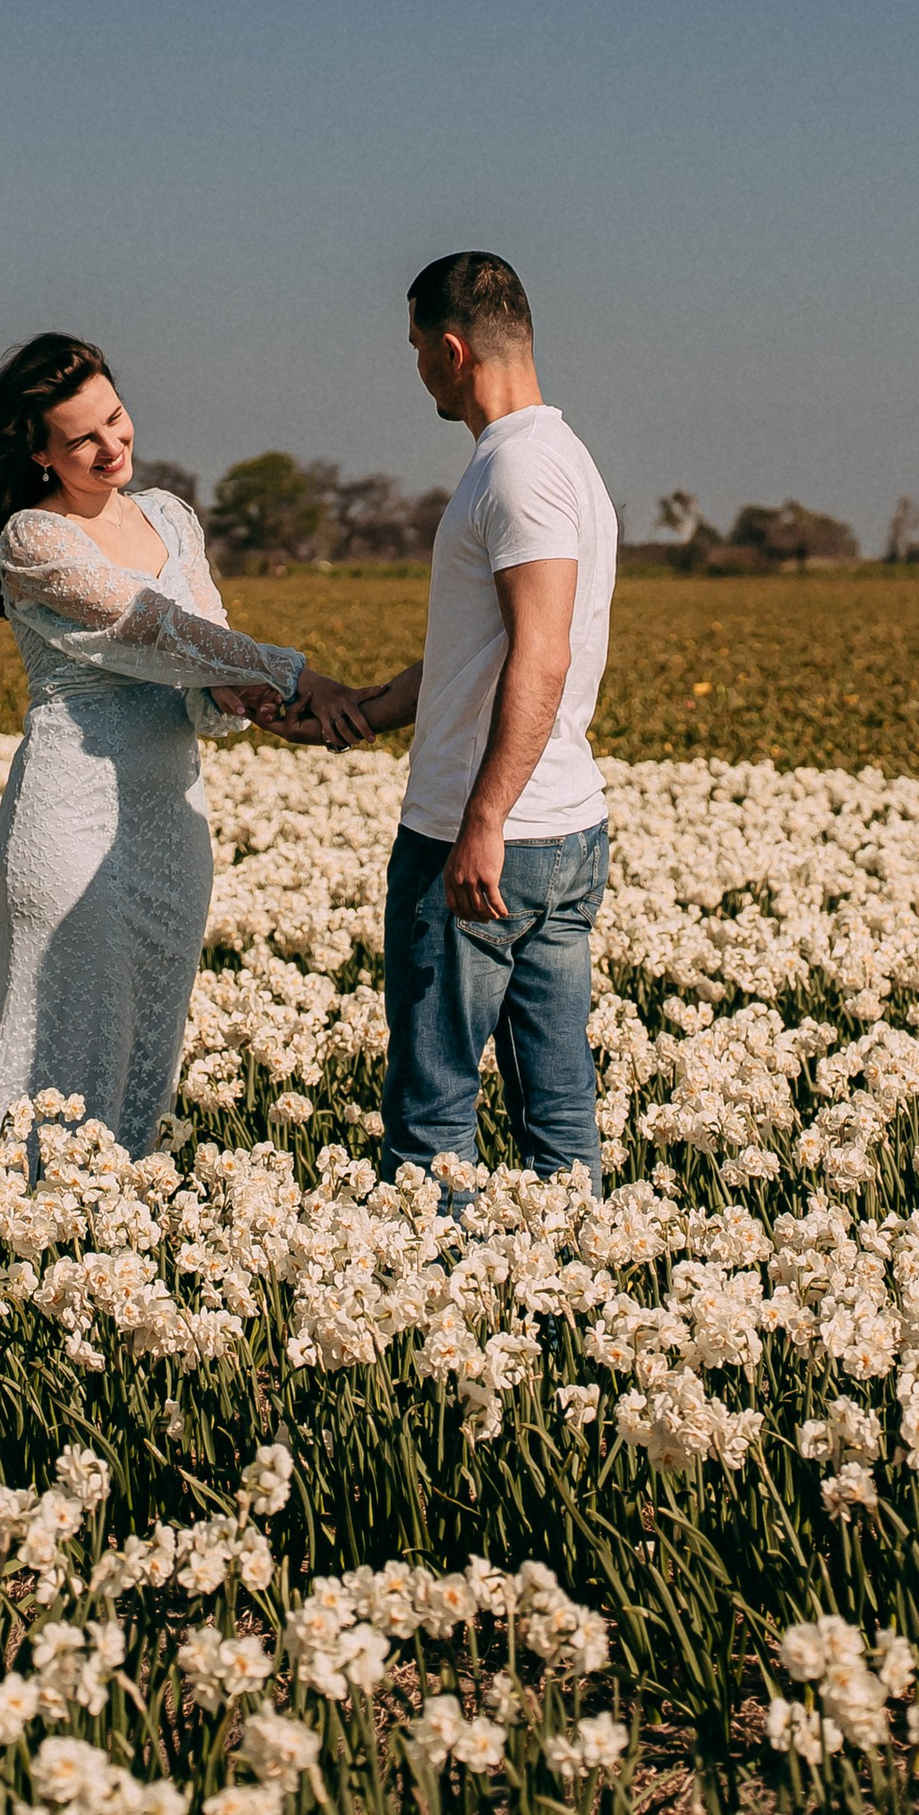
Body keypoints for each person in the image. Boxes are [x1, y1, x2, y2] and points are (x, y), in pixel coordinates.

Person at [0, 333, 369, 1159]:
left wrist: (258, 697)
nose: (110, 446)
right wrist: (297, 677)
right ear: (38, 453)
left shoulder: (168, 515)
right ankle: (34, 1239)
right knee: (60, 1051)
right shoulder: (33, 539)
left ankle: (119, 1228)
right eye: (82, 439)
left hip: (172, 814)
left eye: (116, 418)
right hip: (70, 820)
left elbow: (207, 645)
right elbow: (151, 627)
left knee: (150, 1041)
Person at [267, 253, 617, 1195]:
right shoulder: (564, 459)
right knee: (559, 1115)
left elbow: (541, 655)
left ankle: (431, 1318)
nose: (416, 366)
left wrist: (483, 821)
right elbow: (482, 657)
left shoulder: (518, 473)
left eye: (418, 347)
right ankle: (565, 1317)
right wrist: (362, 714)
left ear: (452, 350)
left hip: (485, 842)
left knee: (432, 1118)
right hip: (563, 828)